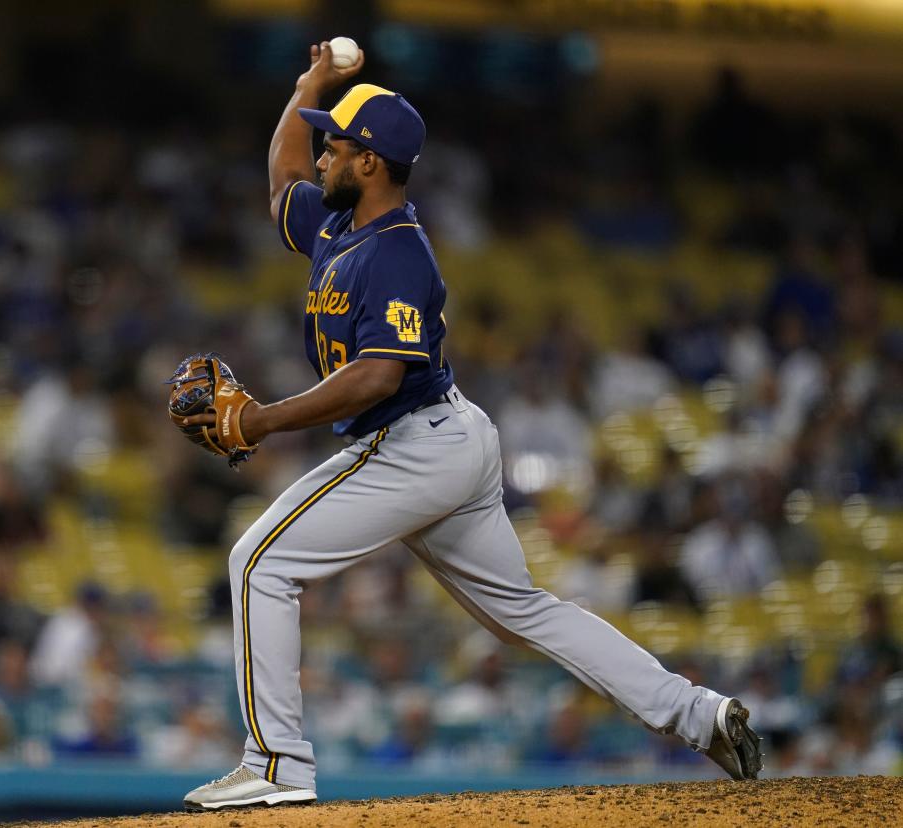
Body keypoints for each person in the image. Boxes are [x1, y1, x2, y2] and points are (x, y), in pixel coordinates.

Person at [181, 42, 761, 812]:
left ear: (373, 164)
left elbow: (378, 375)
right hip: (441, 439)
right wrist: (309, 85)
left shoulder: (397, 253)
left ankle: (278, 763)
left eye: (338, 144)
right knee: (526, 612)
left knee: (258, 561)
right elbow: (281, 178)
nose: (322, 152)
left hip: (416, 441)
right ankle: (701, 715)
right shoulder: (335, 219)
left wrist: (258, 421)